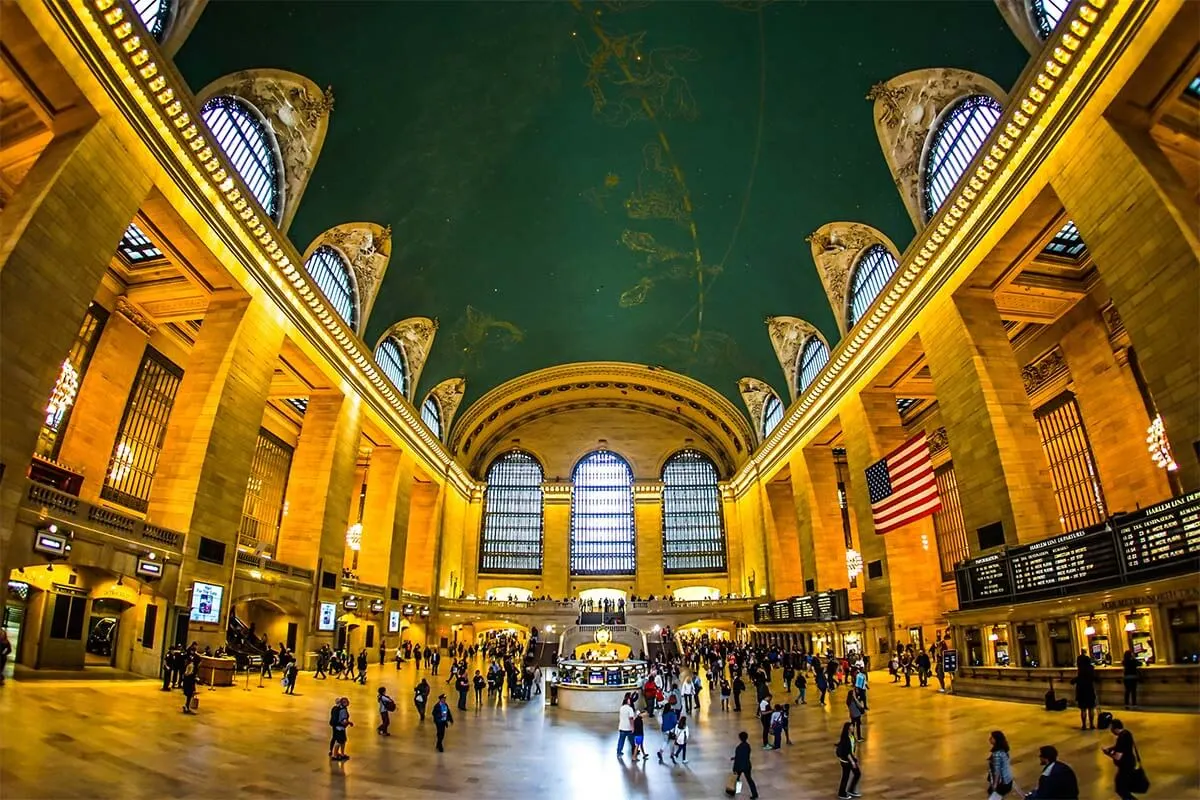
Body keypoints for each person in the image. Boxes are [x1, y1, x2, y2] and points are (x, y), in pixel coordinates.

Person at [1103, 719, 1147, 800]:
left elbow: (1118, 756)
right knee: (1123, 788)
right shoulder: (1127, 733)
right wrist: (1111, 748)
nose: (1111, 731)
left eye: (1111, 728)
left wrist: (1108, 754)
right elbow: (1122, 747)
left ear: (1114, 728)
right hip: (1130, 763)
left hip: (1125, 766)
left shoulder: (1121, 738)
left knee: (1121, 789)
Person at [835, 721, 861, 800]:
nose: (853, 728)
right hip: (846, 761)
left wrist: (854, 758)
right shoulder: (845, 739)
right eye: (851, 727)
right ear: (848, 729)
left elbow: (852, 749)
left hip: (851, 758)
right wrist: (852, 762)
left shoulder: (852, 736)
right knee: (846, 776)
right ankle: (842, 793)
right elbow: (847, 752)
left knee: (857, 774)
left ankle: (850, 790)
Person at [731, 731, 760, 800]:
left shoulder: (738, 748)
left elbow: (738, 758)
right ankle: (754, 794)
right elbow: (745, 755)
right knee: (749, 780)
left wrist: (734, 768)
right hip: (747, 765)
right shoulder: (747, 746)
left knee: (737, 779)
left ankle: (736, 791)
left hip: (740, 766)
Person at [988, 730, 1015, 799]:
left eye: (992, 738)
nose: (990, 739)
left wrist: (995, 785)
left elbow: (997, 771)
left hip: (1002, 783)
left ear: (996, 740)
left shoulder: (997, 754)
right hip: (1008, 781)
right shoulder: (1004, 750)